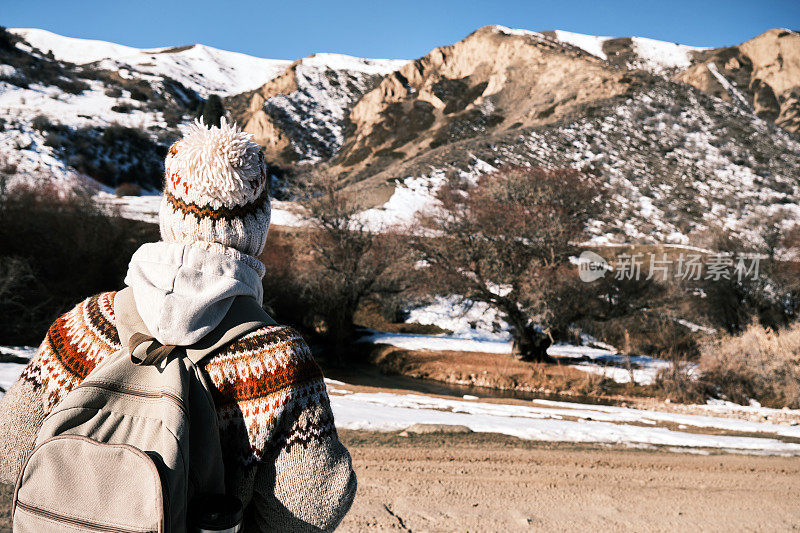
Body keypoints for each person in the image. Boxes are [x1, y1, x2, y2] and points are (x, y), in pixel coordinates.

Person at [0, 118, 357, 532]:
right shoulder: (277, 360)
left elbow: (11, 452)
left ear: (168, 213)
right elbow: (308, 511)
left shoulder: (83, 325)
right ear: (258, 227)